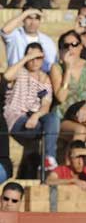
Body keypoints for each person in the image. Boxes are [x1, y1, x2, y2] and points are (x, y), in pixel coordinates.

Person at [50, 30, 86, 172]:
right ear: (61, 49)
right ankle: (70, 169)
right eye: (66, 45)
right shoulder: (57, 68)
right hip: (64, 116)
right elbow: (61, 97)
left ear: (81, 46)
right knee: (80, 130)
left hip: (84, 113)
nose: (70, 48)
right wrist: (68, 69)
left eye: (74, 44)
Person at [3, 42, 58, 171]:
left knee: (52, 118)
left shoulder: (44, 79)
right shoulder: (20, 72)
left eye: (37, 57)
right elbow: (6, 76)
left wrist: (36, 116)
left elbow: (45, 104)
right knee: (47, 130)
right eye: (31, 57)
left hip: (33, 119)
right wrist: (26, 58)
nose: (34, 61)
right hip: (15, 118)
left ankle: (49, 158)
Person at [1, 7, 57, 72]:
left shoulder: (47, 41)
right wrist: (26, 13)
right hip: (17, 77)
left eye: (36, 18)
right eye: (29, 18)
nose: (33, 23)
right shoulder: (15, 35)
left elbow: (51, 65)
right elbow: (4, 30)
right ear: (23, 19)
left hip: (39, 79)